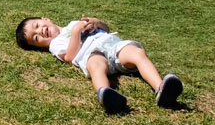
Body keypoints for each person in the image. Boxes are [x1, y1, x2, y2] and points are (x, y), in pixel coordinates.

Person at [16, 15, 184, 114]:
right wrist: (76, 34)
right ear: (40, 47)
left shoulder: (74, 23)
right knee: (96, 67)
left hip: (112, 45)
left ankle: (160, 88)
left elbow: (105, 28)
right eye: (36, 38)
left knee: (137, 54)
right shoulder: (55, 44)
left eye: (37, 25)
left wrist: (96, 22)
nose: (40, 31)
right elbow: (69, 56)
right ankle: (106, 95)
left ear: (45, 19)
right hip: (91, 54)